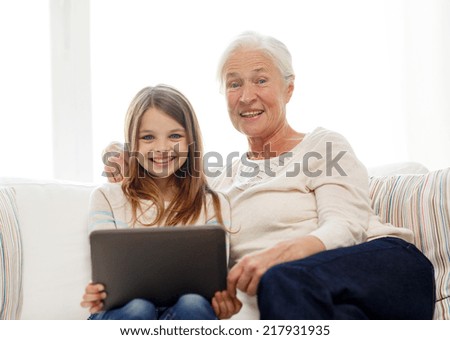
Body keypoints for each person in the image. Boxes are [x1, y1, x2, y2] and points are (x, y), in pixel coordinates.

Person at [104, 32, 435, 320]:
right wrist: (124, 156)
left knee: (279, 279)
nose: (247, 96)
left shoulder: (322, 146)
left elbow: (345, 226)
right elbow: (165, 165)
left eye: (260, 80)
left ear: (289, 89)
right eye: (234, 84)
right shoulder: (219, 180)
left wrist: (279, 255)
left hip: (383, 273)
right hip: (307, 303)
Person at [81, 84, 242, 320]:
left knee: (194, 304)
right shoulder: (107, 197)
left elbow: (211, 285)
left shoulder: (213, 203)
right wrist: (100, 292)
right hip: (124, 312)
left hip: (185, 312)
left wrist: (221, 300)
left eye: (175, 136)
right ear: (132, 144)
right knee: (139, 308)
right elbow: (108, 272)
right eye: (148, 137)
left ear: (191, 142)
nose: (162, 148)